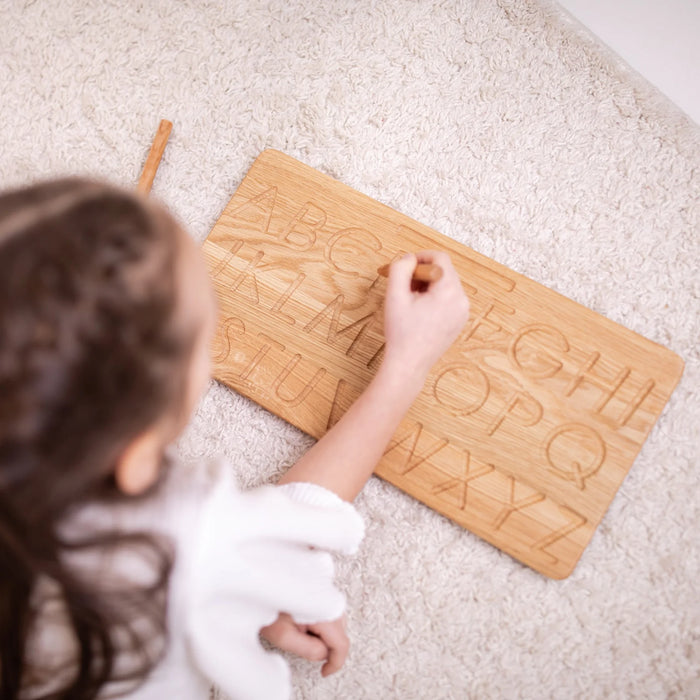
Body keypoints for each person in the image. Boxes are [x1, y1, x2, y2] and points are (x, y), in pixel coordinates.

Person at [0, 178, 470, 699]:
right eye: (206, 337)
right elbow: (300, 524)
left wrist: (229, 596)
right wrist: (408, 364)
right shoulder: (189, 541)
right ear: (136, 453)